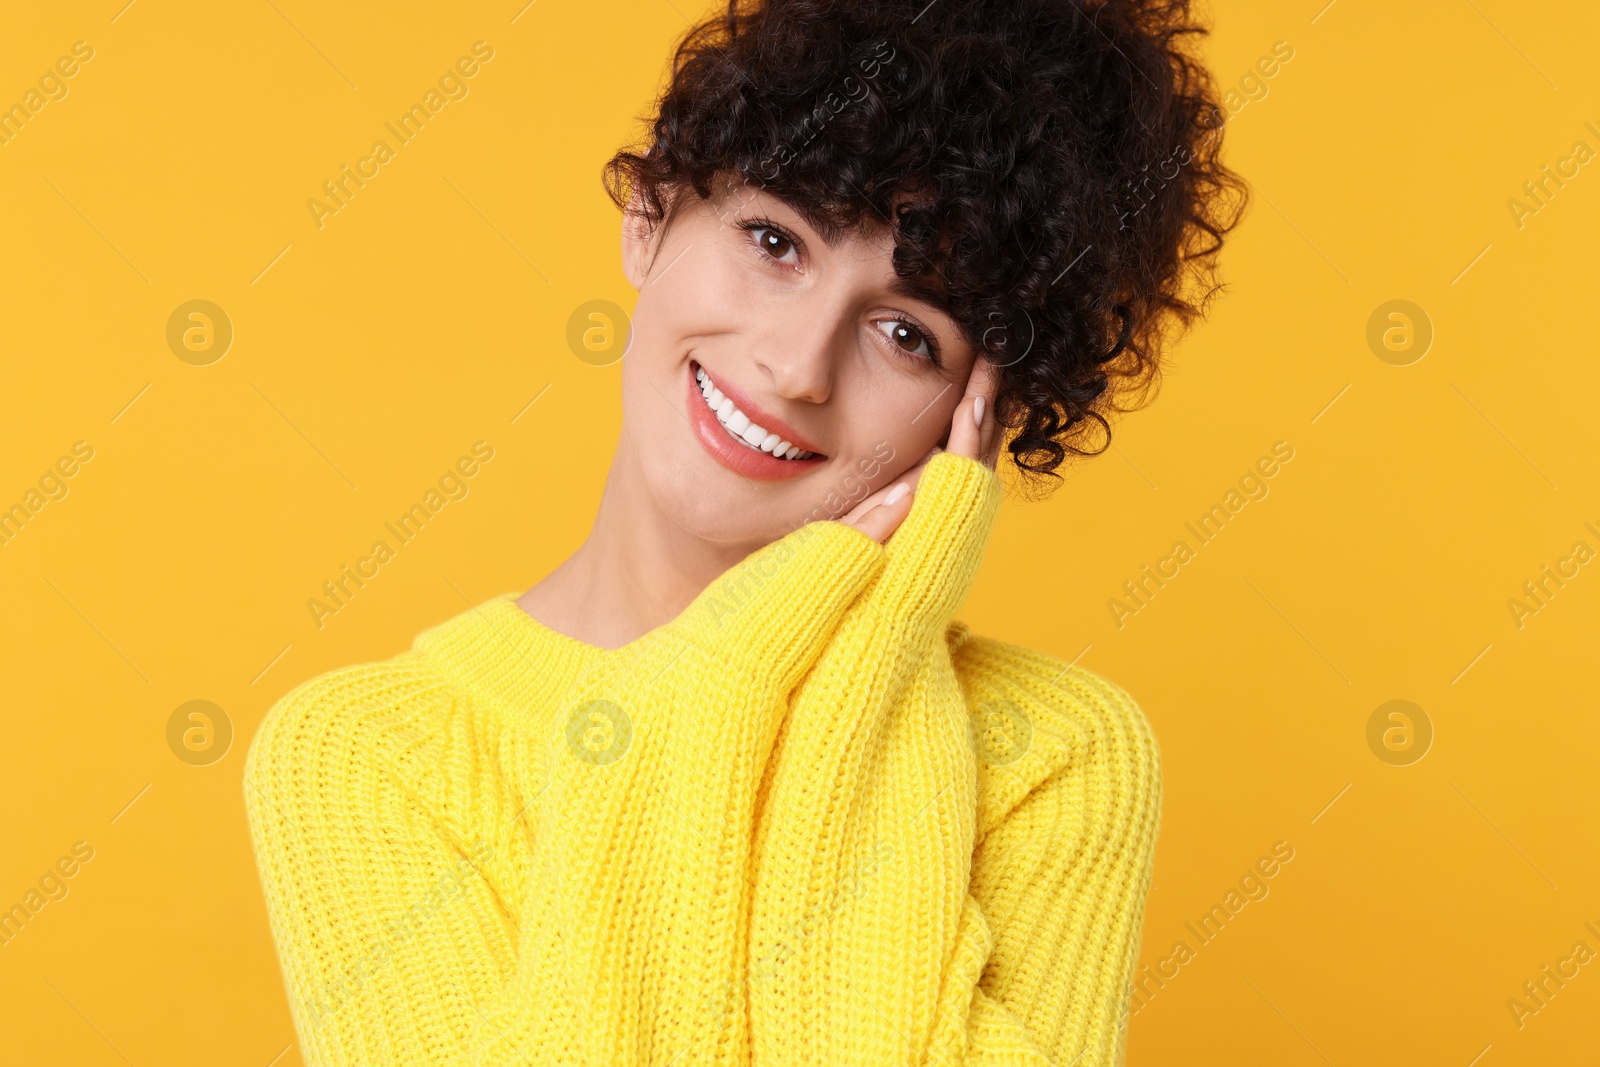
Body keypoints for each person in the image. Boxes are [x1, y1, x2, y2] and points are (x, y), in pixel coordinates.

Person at [244, 0, 1245, 1063]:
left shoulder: (1052, 755)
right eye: (775, 241)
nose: (797, 366)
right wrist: (727, 673)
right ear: (652, 213)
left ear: (983, 413)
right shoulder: (366, 756)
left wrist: (864, 657)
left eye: (906, 333)